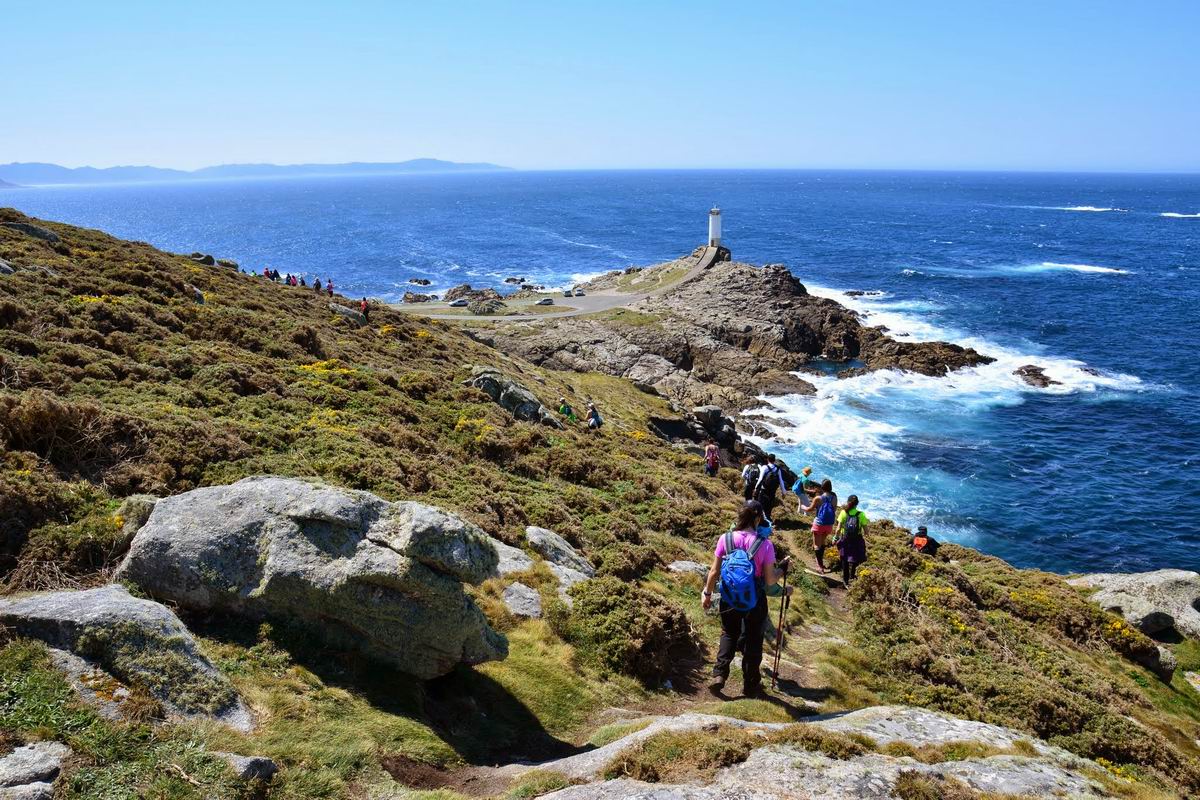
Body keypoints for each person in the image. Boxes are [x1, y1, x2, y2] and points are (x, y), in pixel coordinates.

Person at [702, 500, 792, 697]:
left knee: (728, 633)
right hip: (755, 600)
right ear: (758, 518)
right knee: (753, 640)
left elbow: (714, 571)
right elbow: (769, 580)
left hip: (728, 597)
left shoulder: (725, 539)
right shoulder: (765, 544)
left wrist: (707, 594)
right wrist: (782, 570)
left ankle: (719, 675)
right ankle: (750, 684)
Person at [802, 479, 838, 573]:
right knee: (822, 544)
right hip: (829, 525)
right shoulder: (834, 497)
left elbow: (810, 509)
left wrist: (803, 507)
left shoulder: (818, 498)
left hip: (819, 523)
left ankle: (820, 566)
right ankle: (821, 563)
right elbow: (834, 509)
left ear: (822, 487)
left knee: (816, 545)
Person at [834, 495, 869, 589]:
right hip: (857, 540)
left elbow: (838, 529)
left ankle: (845, 580)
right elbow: (866, 531)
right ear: (857, 504)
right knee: (856, 559)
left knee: (844, 558)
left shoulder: (843, 512)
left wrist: (835, 538)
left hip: (845, 539)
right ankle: (852, 577)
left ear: (848, 502)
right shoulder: (861, 515)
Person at [753, 454, 784, 524]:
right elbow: (781, 481)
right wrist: (783, 492)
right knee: (769, 507)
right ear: (774, 460)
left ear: (768, 459)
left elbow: (760, 479)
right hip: (772, 491)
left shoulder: (765, 467)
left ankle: (759, 521)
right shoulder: (778, 469)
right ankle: (768, 520)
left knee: (760, 505)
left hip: (764, 490)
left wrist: (755, 488)